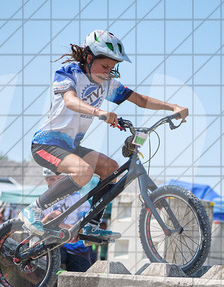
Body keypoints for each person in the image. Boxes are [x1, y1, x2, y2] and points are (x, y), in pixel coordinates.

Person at [19, 30, 188, 242]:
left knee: (110, 168)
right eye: (105, 66)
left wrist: (172, 107)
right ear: (89, 58)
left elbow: (140, 100)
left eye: (112, 68)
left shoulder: (106, 84)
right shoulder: (68, 73)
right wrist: (99, 112)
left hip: (70, 147)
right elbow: (70, 101)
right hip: (45, 144)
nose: (108, 72)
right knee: (83, 171)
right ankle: (33, 210)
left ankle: (90, 225)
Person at [31, 168, 94, 287]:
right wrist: (48, 218)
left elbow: (84, 228)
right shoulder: (42, 200)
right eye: (51, 179)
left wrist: (59, 224)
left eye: (58, 178)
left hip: (75, 245)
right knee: (46, 268)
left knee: (83, 281)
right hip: (53, 243)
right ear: (46, 181)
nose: (54, 182)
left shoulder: (79, 198)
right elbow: (35, 227)